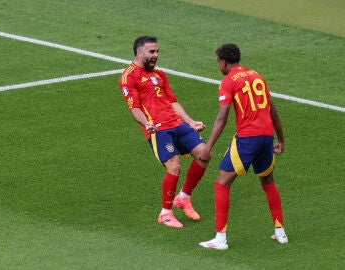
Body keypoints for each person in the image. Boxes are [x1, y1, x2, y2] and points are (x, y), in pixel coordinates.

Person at [199, 43, 288, 250]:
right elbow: (273, 111)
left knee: (222, 183)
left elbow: (222, 118)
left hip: (248, 138)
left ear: (224, 62)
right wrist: (281, 139)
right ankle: (280, 232)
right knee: (267, 181)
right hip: (266, 137)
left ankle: (220, 239)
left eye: (218, 62)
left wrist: (207, 146)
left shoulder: (228, 81)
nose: (218, 66)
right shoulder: (258, 76)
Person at [119, 36, 210, 228]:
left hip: (177, 124)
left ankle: (184, 198)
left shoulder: (160, 75)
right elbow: (134, 107)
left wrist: (191, 122)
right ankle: (165, 213)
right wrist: (146, 123)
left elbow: (173, 101)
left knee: (204, 154)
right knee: (174, 166)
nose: (156, 55)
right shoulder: (129, 77)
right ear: (139, 52)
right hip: (158, 129)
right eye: (152, 52)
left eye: (157, 52)